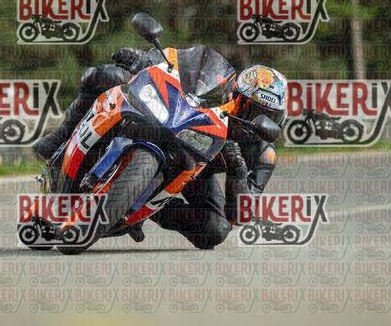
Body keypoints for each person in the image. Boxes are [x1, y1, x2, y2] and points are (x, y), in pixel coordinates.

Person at [32, 47, 288, 249]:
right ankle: (61, 137)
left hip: (198, 172)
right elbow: (182, 66)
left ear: (277, 121)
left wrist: (237, 171)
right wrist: (145, 58)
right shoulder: (221, 89)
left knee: (216, 229)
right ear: (236, 94)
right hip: (179, 127)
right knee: (103, 75)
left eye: (267, 116)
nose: (256, 119)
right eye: (249, 107)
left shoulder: (264, 154)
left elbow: (240, 215)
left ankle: (143, 207)